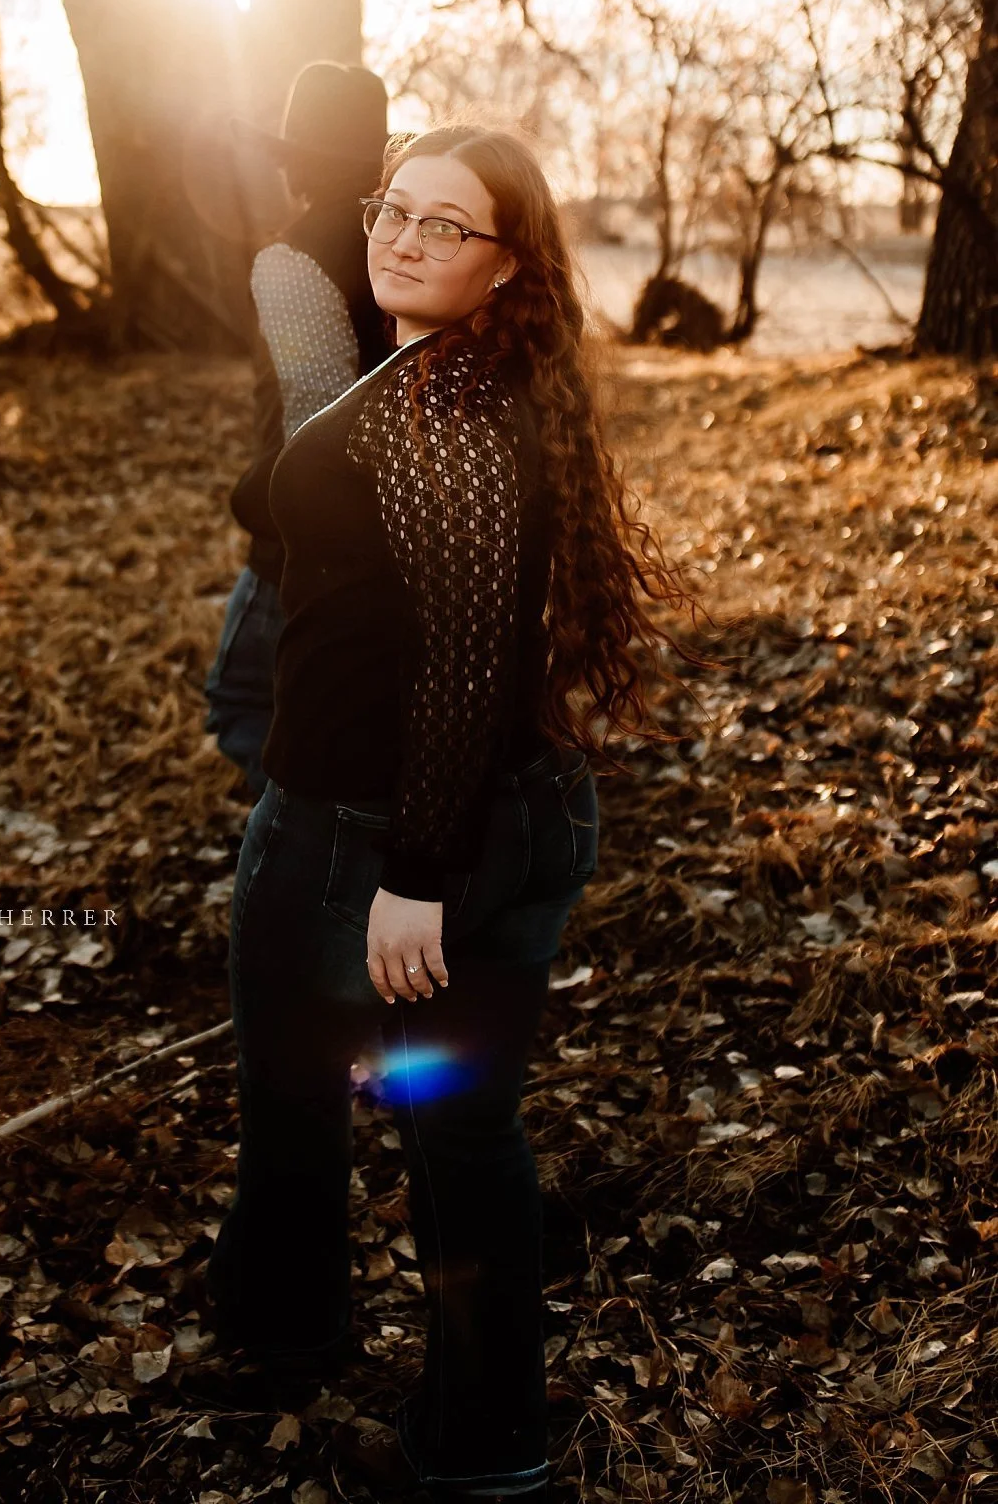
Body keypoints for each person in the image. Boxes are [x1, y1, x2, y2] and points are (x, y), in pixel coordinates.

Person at [200, 124, 712, 1500]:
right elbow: (307, 485)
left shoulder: (446, 422)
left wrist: (414, 874)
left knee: (305, 1098)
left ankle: (296, 1338)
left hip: (375, 838)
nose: (404, 238)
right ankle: (485, 1432)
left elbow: (470, 664)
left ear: (509, 266)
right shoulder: (450, 379)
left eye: (447, 226)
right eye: (392, 209)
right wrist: (309, 333)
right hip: (509, 811)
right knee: (462, 1124)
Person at [204, 60, 395, 799]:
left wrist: (255, 501)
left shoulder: (291, 262)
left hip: (298, 539)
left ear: (296, 162)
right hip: (389, 530)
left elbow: (316, 420)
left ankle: (299, 847)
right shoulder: (401, 245)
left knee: (245, 704)